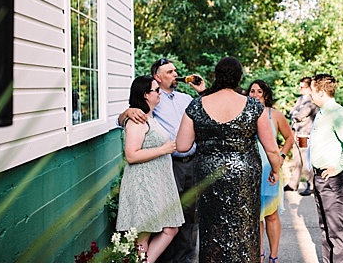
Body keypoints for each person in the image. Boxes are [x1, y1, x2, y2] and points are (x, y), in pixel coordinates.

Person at [175, 57, 283, 262]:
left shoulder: (197, 105)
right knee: (244, 228)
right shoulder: (253, 106)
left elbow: (182, 146)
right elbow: (271, 149)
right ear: (239, 78)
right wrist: (276, 170)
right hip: (243, 173)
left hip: (209, 174)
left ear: (216, 76)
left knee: (212, 229)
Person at [118, 58, 205, 263]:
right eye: (170, 72)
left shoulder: (185, 98)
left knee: (185, 217)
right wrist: (126, 113)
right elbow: (126, 126)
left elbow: (208, 111)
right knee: (158, 222)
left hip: (189, 163)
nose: (175, 75)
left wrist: (202, 91)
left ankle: (184, 260)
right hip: (164, 169)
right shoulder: (146, 108)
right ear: (157, 77)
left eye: (175, 71)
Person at [115, 75, 184, 263]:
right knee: (143, 235)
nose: (159, 92)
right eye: (156, 90)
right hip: (143, 181)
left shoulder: (149, 116)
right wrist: (163, 149)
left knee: (170, 228)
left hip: (157, 181)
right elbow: (131, 155)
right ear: (146, 95)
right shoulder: (137, 120)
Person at [307, 73, 343, 263]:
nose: (310, 94)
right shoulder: (322, 112)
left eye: (312, 90)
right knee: (326, 229)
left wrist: (339, 166)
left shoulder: (337, 113)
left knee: (336, 231)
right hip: (320, 177)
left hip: (333, 179)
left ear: (321, 91)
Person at [247, 80, 296, 263]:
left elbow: (289, 137)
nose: (255, 94)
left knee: (271, 215)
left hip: (270, 170)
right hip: (251, 170)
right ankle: (258, 254)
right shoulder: (244, 114)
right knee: (255, 216)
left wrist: (282, 156)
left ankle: (273, 257)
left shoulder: (274, 114)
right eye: (252, 91)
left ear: (265, 94)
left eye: (259, 91)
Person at [289, 77, 317, 196]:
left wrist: (297, 115)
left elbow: (300, 115)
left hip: (305, 134)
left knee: (306, 160)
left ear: (309, 88)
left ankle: (311, 184)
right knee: (296, 160)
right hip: (296, 132)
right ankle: (293, 184)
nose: (300, 89)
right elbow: (292, 112)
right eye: (299, 86)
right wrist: (296, 114)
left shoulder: (312, 100)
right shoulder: (300, 99)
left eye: (302, 87)